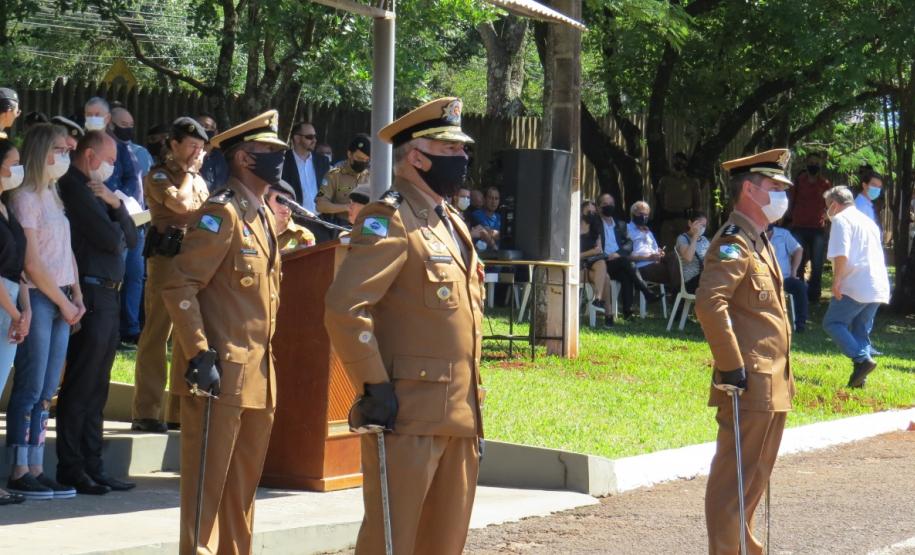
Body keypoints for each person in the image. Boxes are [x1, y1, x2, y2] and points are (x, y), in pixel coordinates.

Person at [325, 97, 484, 554]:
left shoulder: (450, 221)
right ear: (417, 157)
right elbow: (344, 306)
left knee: (443, 543)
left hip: (461, 412)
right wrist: (374, 386)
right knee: (391, 543)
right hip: (408, 413)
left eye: (462, 152)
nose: (463, 161)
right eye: (451, 151)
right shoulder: (390, 218)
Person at [161, 110, 283, 554]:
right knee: (206, 494)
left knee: (241, 494)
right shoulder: (223, 212)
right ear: (245, 159)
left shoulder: (262, 215)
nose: (280, 160)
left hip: (257, 377)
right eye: (271, 152)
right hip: (219, 374)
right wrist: (198, 354)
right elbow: (179, 284)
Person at [695, 148, 795, 555]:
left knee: (753, 479)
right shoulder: (734, 242)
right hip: (748, 381)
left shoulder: (760, 241)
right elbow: (709, 303)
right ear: (751, 190)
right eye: (775, 187)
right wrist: (731, 367)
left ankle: (744, 547)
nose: (782, 196)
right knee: (733, 483)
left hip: (771, 381)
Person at [56, 131, 138, 494]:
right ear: (90, 156)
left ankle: (93, 464)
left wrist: (117, 207)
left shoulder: (99, 191)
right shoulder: (75, 187)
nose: (112, 167)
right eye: (108, 159)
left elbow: (131, 239)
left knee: (98, 386)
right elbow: (110, 240)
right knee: (82, 384)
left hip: (109, 293)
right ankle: (71, 466)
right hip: (89, 290)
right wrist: (117, 222)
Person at [6, 124, 85, 500]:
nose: (64, 156)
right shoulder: (25, 199)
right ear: (41, 151)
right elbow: (33, 261)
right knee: (31, 383)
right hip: (40, 297)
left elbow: (65, 250)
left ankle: (37, 465)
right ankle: (20, 468)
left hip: (63, 296)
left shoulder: (53, 195)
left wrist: (77, 294)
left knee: (47, 388)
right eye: (58, 149)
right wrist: (63, 301)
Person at [131, 118, 210, 434]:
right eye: (191, 146)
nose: (196, 153)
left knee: (187, 334)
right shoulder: (159, 175)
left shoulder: (200, 181)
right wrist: (190, 174)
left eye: (201, 148)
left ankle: (179, 410)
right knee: (157, 333)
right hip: (166, 258)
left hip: (194, 260)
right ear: (174, 144)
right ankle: (146, 411)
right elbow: (179, 205)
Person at [822, 186, 890, 388]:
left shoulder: (841, 220)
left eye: (828, 207)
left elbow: (842, 254)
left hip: (855, 283)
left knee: (833, 323)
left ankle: (861, 360)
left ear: (834, 204)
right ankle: (861, 379)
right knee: (860, 330)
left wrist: (837, 281)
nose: (828, 212)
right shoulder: (868, 222)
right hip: (877, 285)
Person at [0, 139, 31, 506]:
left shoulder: (7, 207)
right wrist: (14, 312)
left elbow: (16, 267)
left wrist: (26, 308)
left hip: (12, 300)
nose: (17, 169)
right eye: (13, 163)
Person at [109, 106, 147, 347]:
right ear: (110, 124)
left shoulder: (140, 153)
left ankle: (130, 329)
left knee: (135, 277)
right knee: (115, 278)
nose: (129, 129)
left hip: (139, 224)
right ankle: (112, 326)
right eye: (123, 124)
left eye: (131, 124)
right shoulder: (107, 150)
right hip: (117, 224)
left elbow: (144, 184)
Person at [596, 193, 657, 320]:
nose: (609, 207)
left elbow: (629, 243)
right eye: (605, 204)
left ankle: (628, 312)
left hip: (617, 260)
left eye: (611, 204)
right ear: (598, 207)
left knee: (626, 274)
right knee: (626, 262)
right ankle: (647, 292)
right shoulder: (595, 224)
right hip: (602, 262)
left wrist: (618, 253)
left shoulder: (620, 225)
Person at [786, 152, 831, 302]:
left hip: (817, 229)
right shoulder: (799, 181)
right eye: (811, 162)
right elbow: (791, 201)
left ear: (821, 165)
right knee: (798, 262)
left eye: (817, 163)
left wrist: (827, 218)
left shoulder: (825, 184)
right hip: (798, 226)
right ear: (806, 164)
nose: (814, 165)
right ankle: (797, 292)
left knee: (817, 264)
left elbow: (829, 205)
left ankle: (814, 295)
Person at [316, 133, 371, 226]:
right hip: (341, 226)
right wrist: (347, 207)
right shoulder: (334, 175)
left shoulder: (373, 175)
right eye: (359, 158)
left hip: (367, 226)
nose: (363, 162)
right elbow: (320, 205)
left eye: (366, 160)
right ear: (349, 154)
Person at [766, 222, 809, 331]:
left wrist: (794, 270)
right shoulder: (753, 234)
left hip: (783, 278)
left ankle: (800, 324)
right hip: (762, 278)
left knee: (799, 286)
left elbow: (798, 249)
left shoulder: (783, 234)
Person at [656, 152, 701, 249]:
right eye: (676, 160)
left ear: (686, 164)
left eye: (682, 160)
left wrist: (694, 221)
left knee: (685, 250)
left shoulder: (692, 182)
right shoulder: (665, 180)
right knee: (666, 250)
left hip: (685, 222)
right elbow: (660, 200)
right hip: (668, 221)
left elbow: (697, 204)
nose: (679, 163)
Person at [282, 121, 330, 210]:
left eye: (315, 137)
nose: (314, 140)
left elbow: (327, 189)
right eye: (309, 137)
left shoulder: (323, 161)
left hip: (320, 218)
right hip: (295, 217)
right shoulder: (283, 161)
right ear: (296, 138)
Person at [627, 201, 675, 287]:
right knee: (673, 271)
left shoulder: (648, 231)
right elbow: (626, 256)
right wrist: (648, 257)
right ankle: (679, 291)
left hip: (655, 263)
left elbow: (655, 249)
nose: (643, 217)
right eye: (640, 214)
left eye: (646, 215)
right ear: (633, 213)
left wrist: (659, 253)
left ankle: (678, 289)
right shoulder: (626, 230)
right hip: (641, 267)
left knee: (673, 257)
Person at [267, 179, 316, 251]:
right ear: (265, 202)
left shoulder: (302, 235)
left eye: (289, 202)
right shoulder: (254, 230)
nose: (285, 207)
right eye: (279, 200)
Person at [580, 201, 608, 313]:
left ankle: (598, 299)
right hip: (578, 267)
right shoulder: (573, 229)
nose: (591, 214)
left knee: (601, 262)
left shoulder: (595, 229)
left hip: (592, 264)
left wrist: (595, 252)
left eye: (593, 212)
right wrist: (591, 252)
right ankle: (608, 314)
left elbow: (599, 250)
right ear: (581, 212)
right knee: (606, 278)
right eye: (588, 211)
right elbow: (572, 256)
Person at [675, 211, 709, 294]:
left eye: (704, 226)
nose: (702, 228)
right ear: (690, 223)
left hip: (705, 277)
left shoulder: (704, 240)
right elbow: (688, 258)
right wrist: (695, 236)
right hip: (691, 282)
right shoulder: (682, 239)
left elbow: (712, 255)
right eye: (699, 225)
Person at [197, 113, 229, 191]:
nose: (205, 130)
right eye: (202, 126)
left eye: (210, 127)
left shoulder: (224, 155)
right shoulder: (189, 156)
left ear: (216, 133)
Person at [469, 186, 502, 250]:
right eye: (490, 198)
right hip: (481, 256)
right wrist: (498, 234)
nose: (493, 201)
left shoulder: (500, 218)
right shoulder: (477, 214)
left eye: (496, 198)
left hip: (498, 257)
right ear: (484, 199)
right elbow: (485, 232)